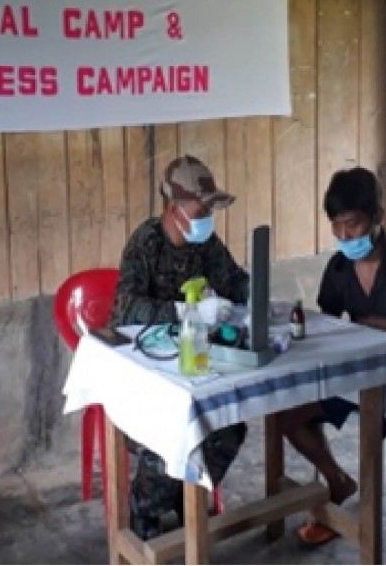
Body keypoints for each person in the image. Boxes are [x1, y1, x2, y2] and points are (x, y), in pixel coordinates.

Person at [275, 167, 386, 564]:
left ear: (377, 216)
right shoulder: (339, 269)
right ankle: (337, 481)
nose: (345, 236)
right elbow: (326, 322)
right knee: (286, 417)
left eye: (353, 224)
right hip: (357, 376)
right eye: (336, 226)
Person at [109, 154, 249, 539]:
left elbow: (235, 281)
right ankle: (145, 507)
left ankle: (186, 497)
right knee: (169, 436)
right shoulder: (146, 243)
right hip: (146, 375)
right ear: (174, 208)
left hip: (193, 365)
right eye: (201, 210)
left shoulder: (205, 244)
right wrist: (185, 311)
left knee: (229, 428)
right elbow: (125, 310)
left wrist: (254, 300)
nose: (207, 218)